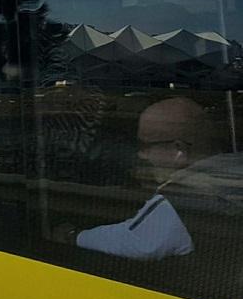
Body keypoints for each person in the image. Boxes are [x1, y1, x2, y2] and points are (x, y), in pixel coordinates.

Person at [60, 97, 242, 260]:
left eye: (146, 146)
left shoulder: (184, 195)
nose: (141, 155)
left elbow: (135, 242)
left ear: (178, 150)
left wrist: (73, 236)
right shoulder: (233, 168)